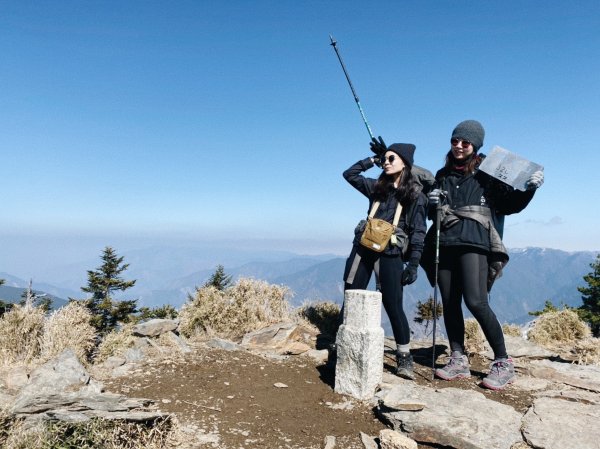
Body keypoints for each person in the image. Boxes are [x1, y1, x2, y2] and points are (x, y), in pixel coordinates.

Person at [425, 120, 544, 390]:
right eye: (455, 141)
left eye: (465, 142)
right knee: (450, 301)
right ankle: (458, 358)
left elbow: (509, 205)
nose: (458, 146)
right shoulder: (442, 175)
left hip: (474, 243)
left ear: (475, 146)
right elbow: (434, 214)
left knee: (476, 301)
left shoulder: (487, 175)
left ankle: (503, 361)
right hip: (444, 244)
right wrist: (432, 204)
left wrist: (530, 188)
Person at [342, 139, 428, 380]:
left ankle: (403, 356)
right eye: (385, 159)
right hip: (362, 248)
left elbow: (418, 232)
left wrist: (413, 263)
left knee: (393, 304)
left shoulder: (415, 196)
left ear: (405, 164)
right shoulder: (376, 187)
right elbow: (349, 174)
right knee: (351, 296)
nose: (386, 162)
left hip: (390, 253)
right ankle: (343, 345)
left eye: (392, 158)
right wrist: (372, 160)